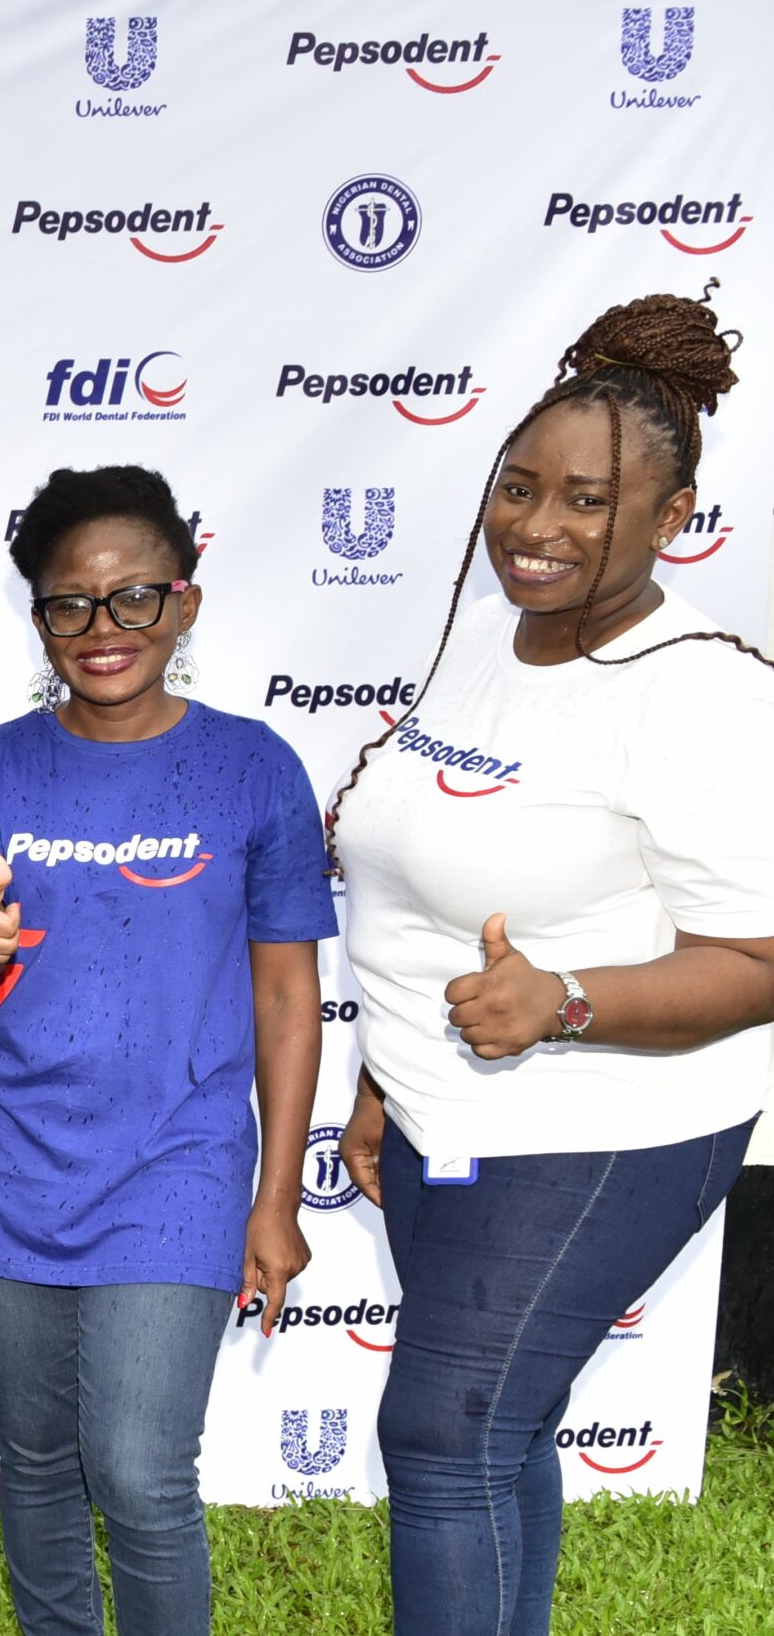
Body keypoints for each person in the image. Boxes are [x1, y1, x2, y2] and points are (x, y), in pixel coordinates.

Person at [329, 288, 773, 1636]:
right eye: (518, 487)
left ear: (671, 517)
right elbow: (416, 882)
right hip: (443, 1109)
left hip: (607, 1122)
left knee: (443, 1431)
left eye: (587, 502)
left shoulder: (698, 687)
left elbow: (758, 954)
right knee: (500, 1428)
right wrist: (383, 1078)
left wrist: (568, 1002)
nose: (537, 528)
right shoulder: (484, 628)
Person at [0, 465, 333, 1636]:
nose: (101, 629)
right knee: (41, 1461)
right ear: (40, 616)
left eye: (133, 597)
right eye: (70, 603)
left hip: (179, 1159)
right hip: (12, 1155)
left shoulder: (253, 767)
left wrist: (273, 1197)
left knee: (141, 1470)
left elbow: (286, 994)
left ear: (185, 603)